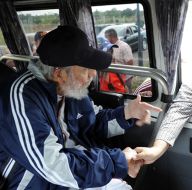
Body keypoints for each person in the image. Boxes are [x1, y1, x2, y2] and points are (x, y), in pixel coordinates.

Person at [0, 25, 162, 189]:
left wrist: (127, 113)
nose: (93, 74)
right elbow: (52, 164)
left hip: (72, 171)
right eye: (85, 69)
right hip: (38, 181)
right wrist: (116, 161)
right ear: (59, 74)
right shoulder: (21, 98)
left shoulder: (71, 88)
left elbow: (92, 121)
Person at [104, 28, 134, 93]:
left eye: (106, 37)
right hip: (115, 77)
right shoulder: (110, 46)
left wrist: (121, 74)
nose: (106, 40)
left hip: (125, 78)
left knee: (128, 94)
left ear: (111, 37)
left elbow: (130, 62)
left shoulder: (124, 46)